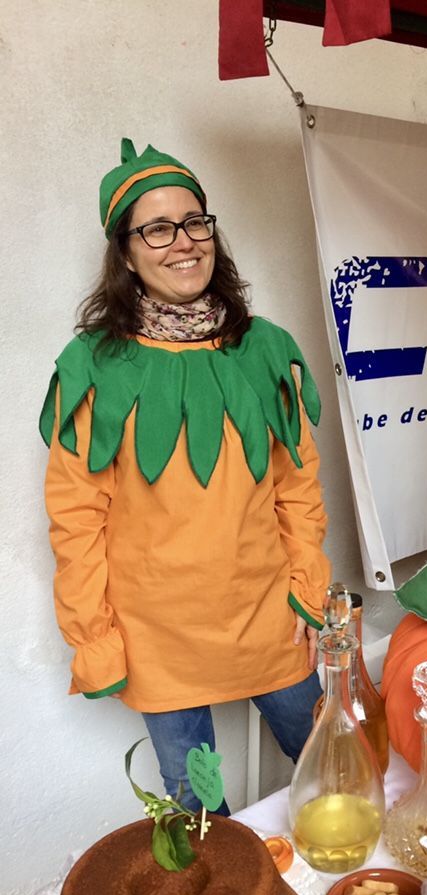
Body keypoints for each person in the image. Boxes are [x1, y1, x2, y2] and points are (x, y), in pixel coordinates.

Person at [40, 139, 331, 813]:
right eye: (158, 228)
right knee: (200, 817)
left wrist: (306, 587)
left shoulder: (265, 349)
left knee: (335, 766)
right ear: (126, 252)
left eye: (195, 222)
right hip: (158, 634)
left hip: (268, 616)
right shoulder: (96, 364)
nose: (184, 242)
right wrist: (96, 635)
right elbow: (76, 516)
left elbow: (297, 484)